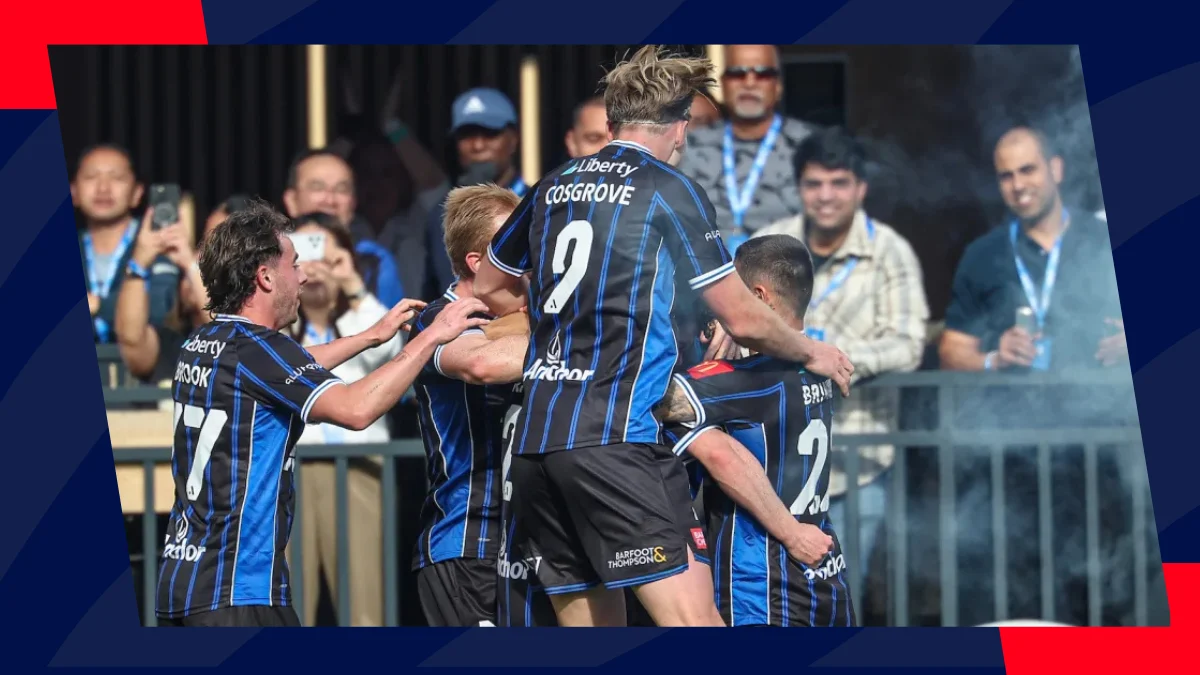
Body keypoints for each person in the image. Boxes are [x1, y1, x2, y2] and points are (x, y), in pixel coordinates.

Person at [472, 45, 853, 628]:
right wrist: (814, 352)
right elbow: (746, 319)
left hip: (536, 444)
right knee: (697, 629)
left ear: (611, 121)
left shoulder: (554, 184)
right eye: (687, 128)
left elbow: (489, 279)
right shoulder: (668, 188)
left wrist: (563, 316)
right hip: (616, 441)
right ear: (678, 123)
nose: (685, 141)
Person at [154, 199, 486, 628]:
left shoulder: (206, 341)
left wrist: (370, 337)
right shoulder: (257, 349)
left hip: (182, 581)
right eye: (294, 264)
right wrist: (430, 339)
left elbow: (285, 365)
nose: (305, 274)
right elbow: (356, 409)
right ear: (266, 277)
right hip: (237, 589)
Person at [752, 127, 929, 592]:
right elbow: (738, 328)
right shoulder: (770, 242)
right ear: (799, 188)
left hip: (857, 461)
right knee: (774, 595)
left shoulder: (890, 251)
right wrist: (800, 355)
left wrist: (835, 360)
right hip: (775, 463)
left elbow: (908, 343)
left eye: (839, 183)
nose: (826, 196)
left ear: (860, 188)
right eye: (814, 184)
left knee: (837, 592)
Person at [656, 234, 855, 626]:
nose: (724, 309)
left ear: (760, 298)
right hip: (824, 573)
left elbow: (644, 398)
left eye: (734, 297)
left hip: (763, 586)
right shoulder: (820, 362)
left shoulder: (745, 381)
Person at [407, 184, 533, 627]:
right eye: (520, 251)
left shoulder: (520, 320)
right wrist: (576, 340)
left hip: (528, 546)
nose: (532, 264)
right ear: (478, 263)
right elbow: (481, 363)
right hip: (466, 544)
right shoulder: (435, 319)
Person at [284, 213, 403, 627]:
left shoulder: (361, 320)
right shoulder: (276, 327)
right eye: (300, 257)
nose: (315, 268)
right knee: (291, 599)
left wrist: (351, 284)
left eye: (326, 257)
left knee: (364, 600)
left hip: (359, 466)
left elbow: (389, 353)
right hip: (291, 471)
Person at [939, 125, 1125, 373]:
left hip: (1099, 408)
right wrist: (993, 359)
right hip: (1009, 411)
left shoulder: (1105, 240)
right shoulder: (981, 255)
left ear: (1056, 169)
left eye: (1028, 170)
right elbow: (951, 350)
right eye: (1006, 176)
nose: (1018, 185)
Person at [677, 45, 818, 247]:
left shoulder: (810, 146)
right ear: (724, 84)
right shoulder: (687, 148)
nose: (749, 83)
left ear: (778, 86)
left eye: (763, 74)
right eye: (737, 73)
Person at [72, 143, 180, 344]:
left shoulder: (158, 241)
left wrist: (95, 305)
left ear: (137, 193)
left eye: (117, 178)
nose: (103, 188)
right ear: (74, 191)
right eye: (91, 177)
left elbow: (158, 309)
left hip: (144, 369)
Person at [426, 88, 527, 295]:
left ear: (513, 139)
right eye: (467, 135)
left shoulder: (539, 203)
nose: (478, 145)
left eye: (490, 133)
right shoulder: (440, 212)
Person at [282, 148, 405, 308]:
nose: (330, 200)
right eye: (317, 187)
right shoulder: (266, 258)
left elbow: (393, 327)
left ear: (353, 203)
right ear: (292, 201)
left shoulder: (374, 260)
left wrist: (352, 285)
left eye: (341, 189)